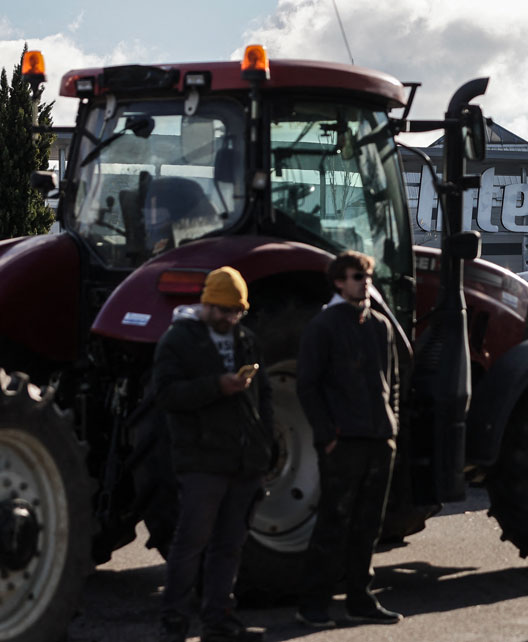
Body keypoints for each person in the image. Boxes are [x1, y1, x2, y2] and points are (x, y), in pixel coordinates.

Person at [153, 266, 273, 642]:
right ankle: (174, 621)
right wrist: (216, 387)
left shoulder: (246, 339)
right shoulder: (177, 341)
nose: (230, 318)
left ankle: (219, 617)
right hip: (201, 461)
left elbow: (264, 397)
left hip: (243, 461)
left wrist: (265, 446)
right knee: (191, 544)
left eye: (237, 311)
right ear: (207, 304)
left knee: (229, 545)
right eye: (224, 311)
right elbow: (167, 395)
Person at [294, 251, 401, 628]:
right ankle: (313, 603)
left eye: (369, 276)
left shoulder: (380, 326)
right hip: (344, 442)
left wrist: (392, 427)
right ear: (339, 281)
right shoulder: (323, 326)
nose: (365, 282)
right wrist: (328, 435)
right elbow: (307, 386)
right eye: (358, 276)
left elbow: (393, 383)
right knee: (333, 523)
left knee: (369, 524)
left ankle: (361, 599)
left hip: (378, 439)